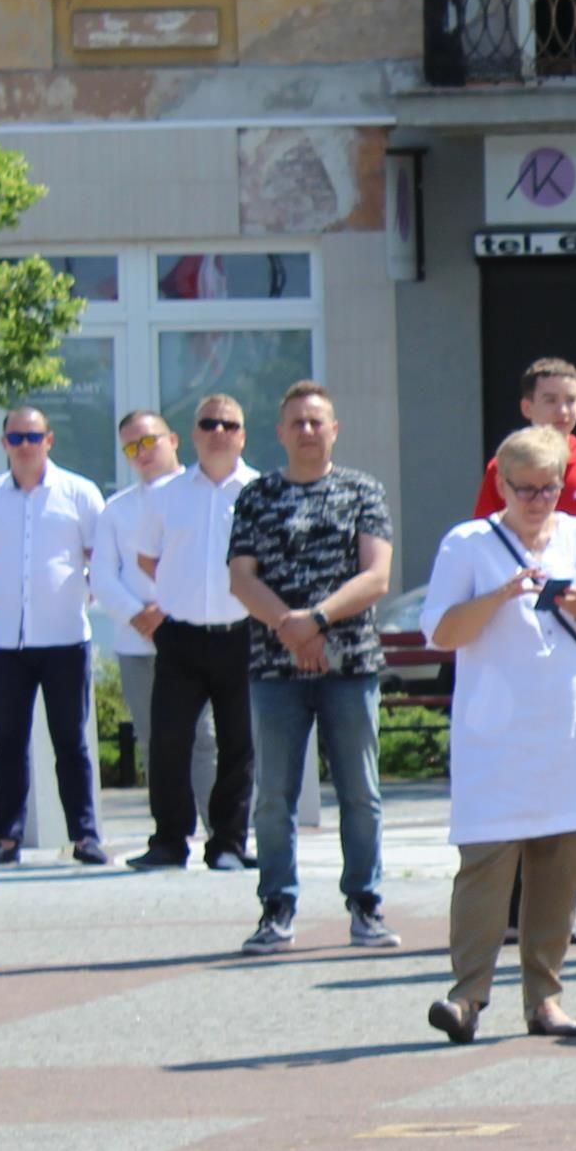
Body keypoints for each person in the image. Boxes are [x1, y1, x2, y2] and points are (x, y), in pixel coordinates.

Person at [421, 426, 576, 1044]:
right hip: (498, 732)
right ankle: (466, 997)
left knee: (560, 865)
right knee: (486, 860)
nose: (540, 500)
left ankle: (545, 997)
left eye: (550, 487)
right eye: (525, 489)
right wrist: (500, 595)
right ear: (501, 486)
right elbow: (442, 631)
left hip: (571, 726)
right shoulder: (468, 543)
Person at [226, 382, 397, 954]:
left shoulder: (362, 491)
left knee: (360, 792)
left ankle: (366, 904)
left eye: (316, 422)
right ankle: (276, 906)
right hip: (274, 667)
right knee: (273, 794)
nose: (306, 431)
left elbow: (376, 576)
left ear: (334, 429)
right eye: (296, 422)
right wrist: (288, 627)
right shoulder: (257, 496)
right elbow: (241, 578)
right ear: (280, 432)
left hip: (349, 663)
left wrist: (316, 621)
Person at [0, 406, 111, 866]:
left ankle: (85, 837)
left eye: (32, 436)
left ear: (49, 440)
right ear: (4, 443)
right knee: (8, 742)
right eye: (15, 437)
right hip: (6, 640)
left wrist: (69, 595)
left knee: (71, 741)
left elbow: (99, 558)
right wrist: (12, 599)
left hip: (65, 637)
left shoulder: (79, 492)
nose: (24, 445)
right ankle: (5, 838)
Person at [127, 394, 258, 871]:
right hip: (180, 634)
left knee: (238, 742)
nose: (218, 432)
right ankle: (168, 840)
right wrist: (182, 586)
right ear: (194, 434)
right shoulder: (168, 493)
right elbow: (146, 556)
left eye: (229, 424)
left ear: (243, 435)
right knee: (168, 740)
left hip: (241, 632)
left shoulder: (260, 491)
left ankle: (227, 842)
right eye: (209, 423)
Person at [91, 410, 197, 817]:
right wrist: (140, 616)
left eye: (149, 441)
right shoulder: (117, 509)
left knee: (205, 738)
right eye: (132, 447)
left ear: (173, 439)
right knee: (155, 740)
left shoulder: (201, 493)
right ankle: (171, 831)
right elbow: (102, 576)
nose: (142, 453)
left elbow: (214, 565)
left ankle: (218, 829)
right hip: (138, 641)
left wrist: (167, 611)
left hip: (195, 633)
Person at [472, 358, 576, 521]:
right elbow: (486, 530)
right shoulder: (504, 464)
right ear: (527, 407)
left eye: (571, 400)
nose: (563, 410)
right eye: (550, 400)